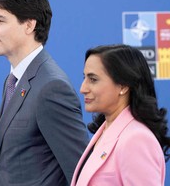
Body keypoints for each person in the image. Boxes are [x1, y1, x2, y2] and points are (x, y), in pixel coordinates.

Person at [0, 0, 89, 186]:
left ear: (29, 25)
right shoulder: (13, 80)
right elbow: (0, 165)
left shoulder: (52, 87)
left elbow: (81, 173)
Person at [71, 44, 170, 186]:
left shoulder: (136, 139)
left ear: (123, 86)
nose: (83, 88)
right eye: (84, 78)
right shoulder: (106, 131)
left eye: (93, 79)